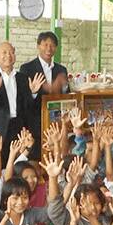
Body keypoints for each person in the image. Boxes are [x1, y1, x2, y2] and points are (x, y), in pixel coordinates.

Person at [0, 42, 45, 164]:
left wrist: (33, 93)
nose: (8, 55)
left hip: (18, 129)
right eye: (4, 52)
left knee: (18, 165)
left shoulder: (23, 78)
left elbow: (28, 108)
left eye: (11, 52)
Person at [19, 31, 68, 159]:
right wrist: (33, 92)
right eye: (45, 44)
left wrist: (62, 88)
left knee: (56, 156)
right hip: (34, 122)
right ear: (38, 46)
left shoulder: (61, 70)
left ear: (56, 48)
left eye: (52, 45)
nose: (49, 48)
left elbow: (66, 94)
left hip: (56, 122)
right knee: (35, 158)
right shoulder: (27, 69)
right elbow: (23, 99)